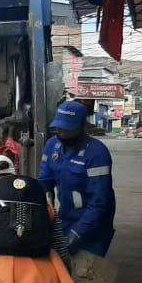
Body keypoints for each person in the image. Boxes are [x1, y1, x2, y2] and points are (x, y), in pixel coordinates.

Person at [38, 101, 116, 258]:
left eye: (67, 129)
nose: (61, 132)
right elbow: (44, 181)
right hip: (66, 215)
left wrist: (76, 233)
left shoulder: (96, 153)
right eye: (59, 127)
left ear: (82, 126)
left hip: (95, 222)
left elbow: (99, 201)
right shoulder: (52, 146)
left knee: (86, 273)